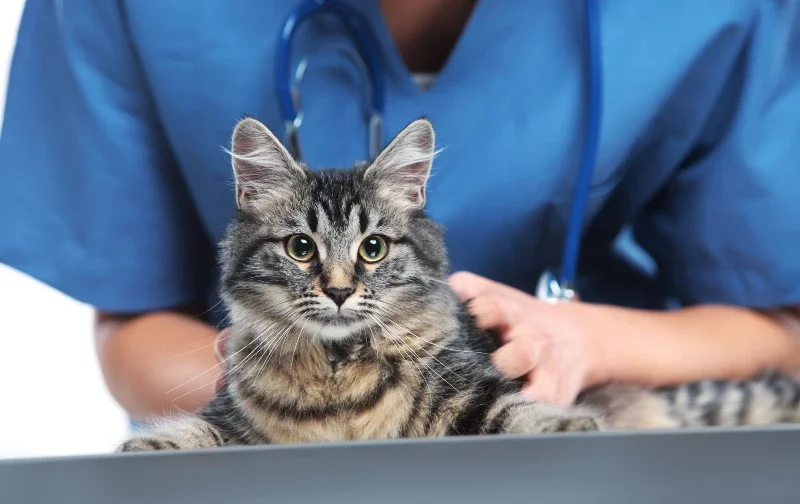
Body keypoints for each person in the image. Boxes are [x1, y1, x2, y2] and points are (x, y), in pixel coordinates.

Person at [1, 0, 799, 422]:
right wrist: (292, 398)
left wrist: (582, 339)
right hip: (277, 457)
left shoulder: (720, 11)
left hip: (605, 435)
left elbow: (782, 329)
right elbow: (131, 320)